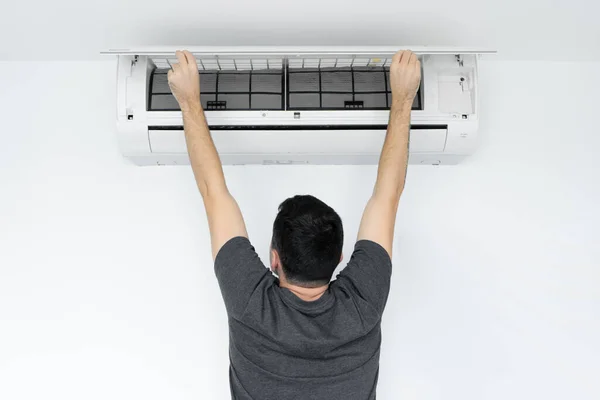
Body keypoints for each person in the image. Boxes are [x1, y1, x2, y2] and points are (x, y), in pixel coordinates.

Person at [167, 49, 421, 400]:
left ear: (275, 260)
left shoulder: (251, 303)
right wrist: (404, 98)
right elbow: (387, 196)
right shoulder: (362, 303)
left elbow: (215, 193)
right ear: (340, 258)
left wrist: (188, 100)